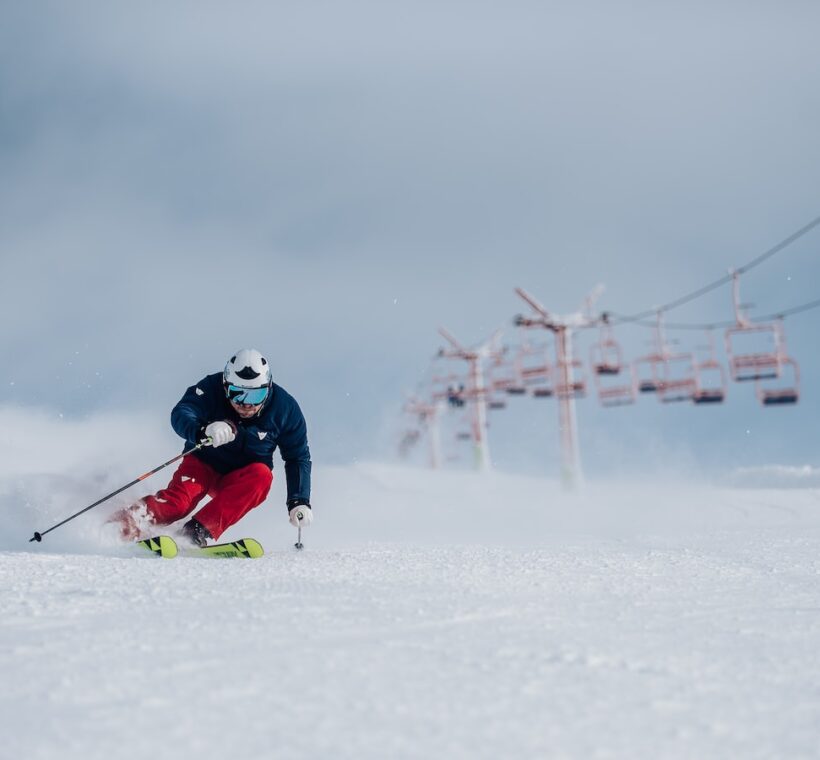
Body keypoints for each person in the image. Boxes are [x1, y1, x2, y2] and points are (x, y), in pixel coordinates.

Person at [111, 348, 312, 547]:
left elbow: (297, 457)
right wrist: (202, 431)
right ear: (226, 386)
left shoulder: (286, 409)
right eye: (237, 394)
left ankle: (195, 531)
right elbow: (182, 412)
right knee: (178, 504)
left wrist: (299, 500)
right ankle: (125, 523)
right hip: (202, 464)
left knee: (262, 476)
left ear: (268, 388)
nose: (246, 404)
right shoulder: (210, 389)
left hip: (240, 479)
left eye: (255, 396)